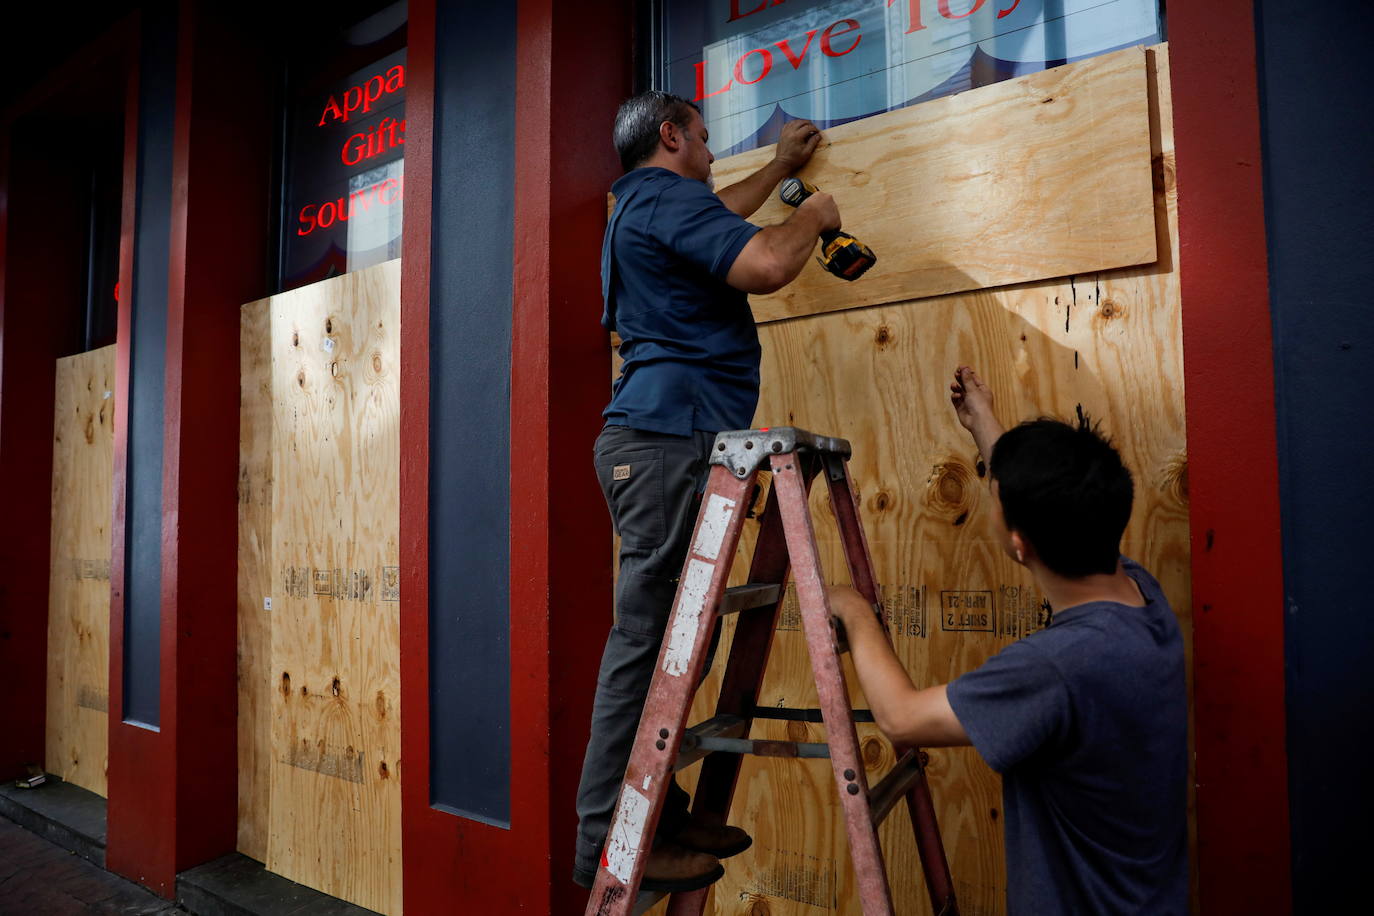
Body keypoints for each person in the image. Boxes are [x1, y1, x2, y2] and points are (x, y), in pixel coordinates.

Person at [573, 91, 843, 894]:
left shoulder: (643, 205)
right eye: (704, 137)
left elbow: (721, 209)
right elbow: (763, 263)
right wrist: (815, 214)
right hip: (665, 444)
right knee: (645, 650)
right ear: (672, 136)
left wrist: (778, 171)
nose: (713, 152)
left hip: (662, 439)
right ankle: (605, 845)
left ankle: (658, 809)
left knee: (675, 648)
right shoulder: (665, 198)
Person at [828, 366, 1188, 914]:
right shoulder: (1139, 596)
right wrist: (983, 423)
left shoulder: (1059, 667)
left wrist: (855, 612)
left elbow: (900, 718)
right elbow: (1053, 504)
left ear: (1019, 544)